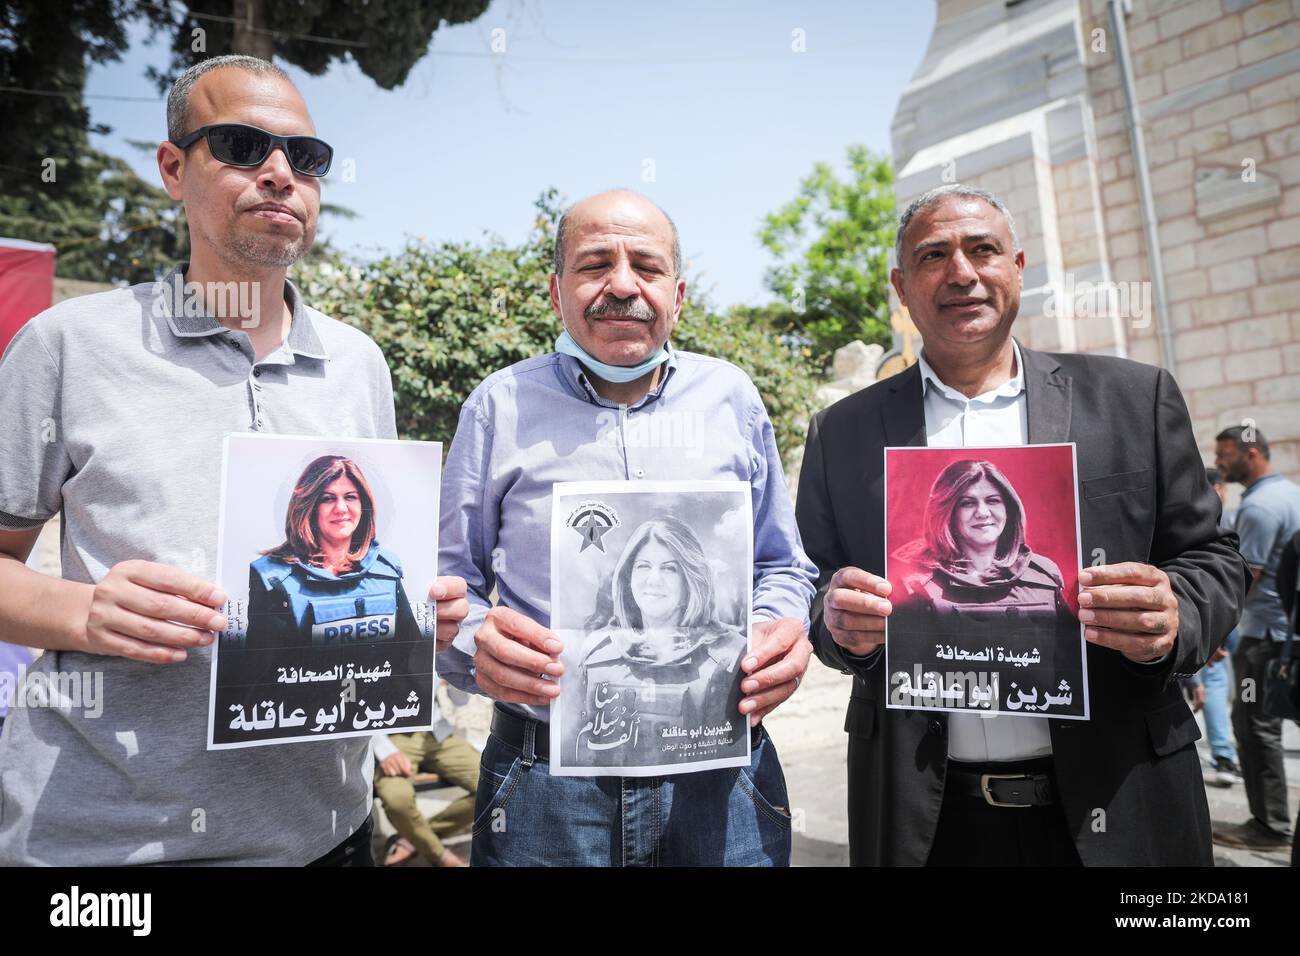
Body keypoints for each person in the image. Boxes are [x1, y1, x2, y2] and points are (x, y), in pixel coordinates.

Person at [0, 55, 468, 865]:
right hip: (103, 844)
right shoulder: (67, 345)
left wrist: (413, 620)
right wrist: (82, 613)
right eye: (242, 147)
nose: (280, 173)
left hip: (329, 834)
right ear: (174, 169)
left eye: (305, 157)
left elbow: (363, 563)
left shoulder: (361, 364)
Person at [795, 183, 1248, 866]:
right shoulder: (844, 433)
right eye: (934, 255)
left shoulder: (1133, 399)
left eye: (983, 250)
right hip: (929, 820)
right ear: (901, 286)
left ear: (1017, 267)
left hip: (1120, 802)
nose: (963, 272)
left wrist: (1175, 613)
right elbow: (810, 585)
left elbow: (1214, 558)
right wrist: (838, 622)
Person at [439, 189, 818, 866]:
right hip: (546, 785)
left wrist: (781, 631)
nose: (621, 285)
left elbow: (782, 566)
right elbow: (447, 584)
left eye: (644, 265)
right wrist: (472, 642)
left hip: (722, 775)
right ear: (557, 293)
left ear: (677, 293)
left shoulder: (732, 398)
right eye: (594, 265)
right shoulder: (498, 406)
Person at [570, 516, 747, 767]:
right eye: (643, 566)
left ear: (689, 579)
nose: (654, 580)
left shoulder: (730, 655)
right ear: (628, 576)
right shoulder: (595, 656)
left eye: (669, 568)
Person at [890, 459, 1078, 667]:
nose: (982, 512)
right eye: (968, 503)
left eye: (993, 500)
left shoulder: (1045, 575)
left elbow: (1071, 666)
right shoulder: (911, 583)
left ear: (1009, 508)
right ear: (947, 512)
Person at [1212, 425, 1300, 851]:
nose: (1220, 462)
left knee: (1253, 725)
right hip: (1285, 637)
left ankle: (1270, 827)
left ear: (1251, 453)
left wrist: (1216, 632)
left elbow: (1246, 580)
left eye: (1225, 454)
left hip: (1263, 641)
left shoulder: (1260, 508)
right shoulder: (1290, 493)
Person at [244, 455, 420, 649]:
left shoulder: (387, 570)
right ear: (309, 507)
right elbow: (261, 672)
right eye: (328, 499)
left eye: (350, 497)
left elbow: (412, 659)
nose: (341, 508)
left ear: (363, 505)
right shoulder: (272, 577)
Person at [1181, 467, 1242, 788]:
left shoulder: (1210, 520)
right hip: (1213, 617)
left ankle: (1222, 755)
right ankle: (1222, 756)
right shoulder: (1217, 518)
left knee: (1210, 682)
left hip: (1212, 617)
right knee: (1212, 682)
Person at [372, 696, 480, 869]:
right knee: (398, 799)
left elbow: (460, 699)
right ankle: (441, 858)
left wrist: (460, 672)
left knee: (496, 787)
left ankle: (412, 840)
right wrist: (383, 749)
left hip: (438, 733)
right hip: (393, 737)